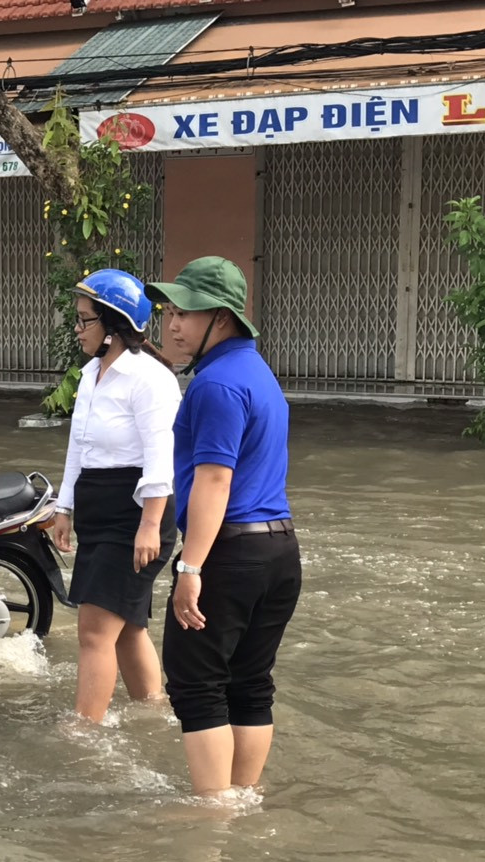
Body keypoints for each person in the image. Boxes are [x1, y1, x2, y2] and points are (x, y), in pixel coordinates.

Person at [144, 256, 302, 798]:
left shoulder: (214, 386)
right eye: (170, 310)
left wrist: (190, 567)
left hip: (229, 554)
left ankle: (212, 813)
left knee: (195, 684)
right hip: (280, 550)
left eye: (186, 312)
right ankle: (242, 798)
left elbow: (214, 482)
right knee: (251, 682)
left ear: (223, 318)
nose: (172, 323)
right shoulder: (259, 374)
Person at [52, 269, 181, 725]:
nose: (77, 329)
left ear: (112, 326)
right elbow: (78, 450)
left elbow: (160, 457)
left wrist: (149, 524)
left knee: (93, 631)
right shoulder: (90, 375)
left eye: (84, 321)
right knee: (126, 628)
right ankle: (156, 713)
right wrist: (64, 506)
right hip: (98, 508)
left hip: (135, 516)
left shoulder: (150, 379)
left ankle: (85, 730)